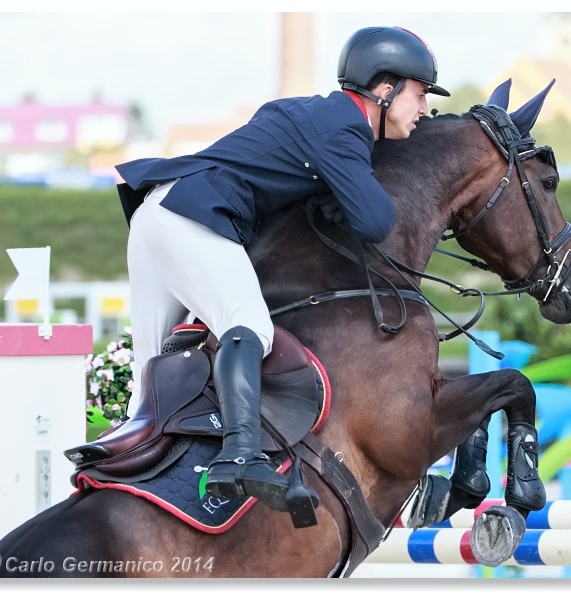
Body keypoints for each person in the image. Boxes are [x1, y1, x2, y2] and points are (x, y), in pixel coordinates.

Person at [113, 26, 450, 514]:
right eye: (419, 95)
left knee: (148, 376)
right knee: (248, 325)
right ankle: (240, 456)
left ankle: (125, 494)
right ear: (385, 89)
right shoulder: (344, 128)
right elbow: (376, 220)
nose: (423, 110)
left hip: (155, 214)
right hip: (193, 213)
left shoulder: (309, 111)